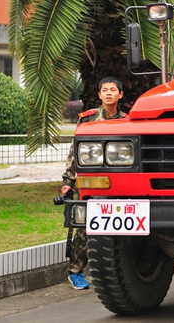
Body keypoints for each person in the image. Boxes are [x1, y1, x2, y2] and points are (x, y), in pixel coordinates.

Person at [61, 77, 127, 290]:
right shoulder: (88, 120)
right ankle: (75, 271)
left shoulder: (127, 121)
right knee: (87, 225)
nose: (108, 93)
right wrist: (68, 181)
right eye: (104, 90)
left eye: (113, 90)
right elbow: (75, 151)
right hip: (92, 180)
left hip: (119, 181)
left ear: (120, 94)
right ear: (99, 95)